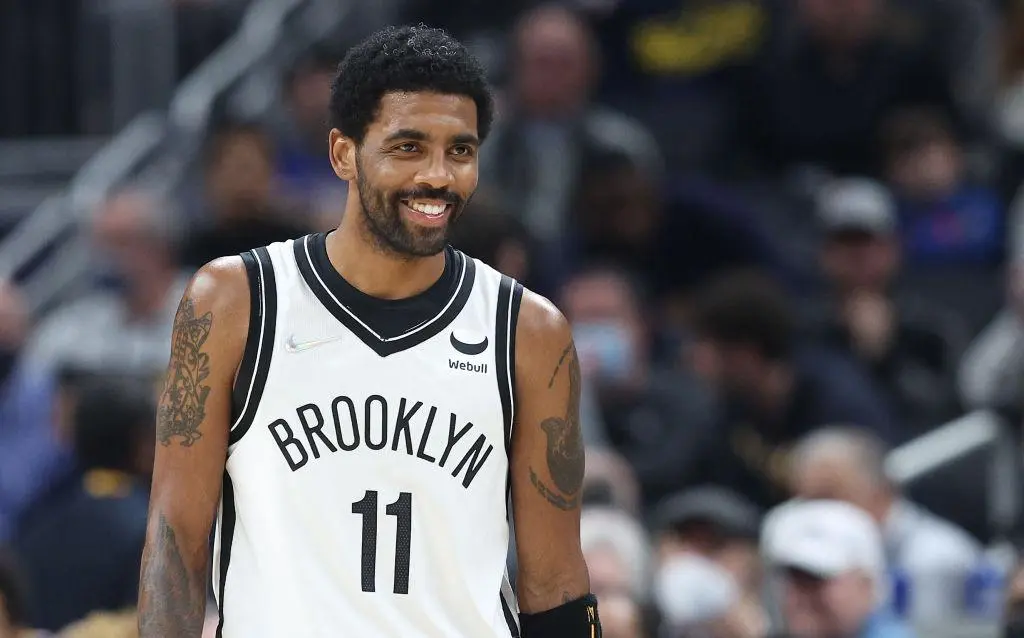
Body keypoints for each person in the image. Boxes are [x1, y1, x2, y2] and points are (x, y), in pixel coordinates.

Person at [137, 24, 598, 638]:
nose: (438, 176)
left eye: (460, 150)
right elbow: (176, 546)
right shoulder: (233, 302)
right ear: (343, 153)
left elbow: (556, 582)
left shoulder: (528, 330)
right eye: (408, 147)